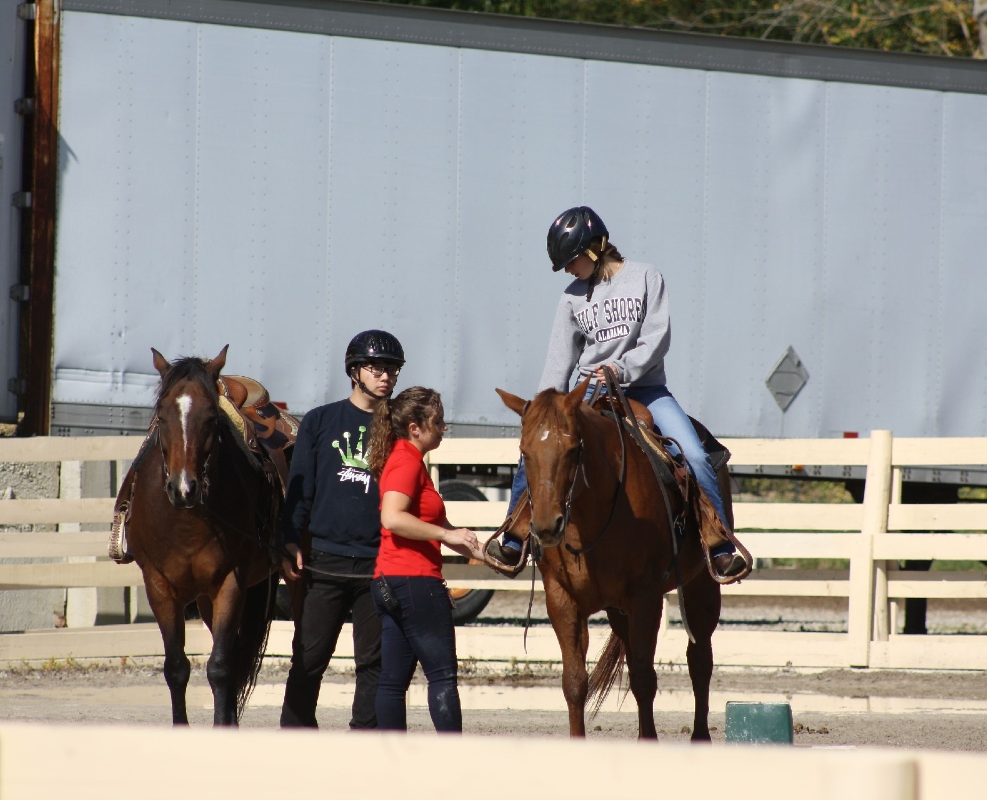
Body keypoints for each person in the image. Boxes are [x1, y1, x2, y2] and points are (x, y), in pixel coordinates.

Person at [485, 206, 748, 581]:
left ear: (594, 248)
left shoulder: (645, 277)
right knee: (542, 449)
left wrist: (620, 368)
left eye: (571, 260)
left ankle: (719, 544)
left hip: (648, 389)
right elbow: (559, 361)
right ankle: (514, 538)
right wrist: (545, 409)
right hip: (588, 393)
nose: (567, 270)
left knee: (693, 453)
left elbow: (656, 340)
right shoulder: (571, 297)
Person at [277, 329, 405, 729]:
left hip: (377, 563)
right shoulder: (321, 420)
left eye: (392, 369)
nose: (385, 376)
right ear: (354, 371)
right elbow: (301, 487)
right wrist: (289, 540)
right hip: (325, 561)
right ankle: (296, 734)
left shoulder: (401, 424)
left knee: (373, 662)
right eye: (376, 367)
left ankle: (363, 745)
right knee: (309, 657)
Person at [366, 386, 482, 732]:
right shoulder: (405, 462)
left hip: (393, 581)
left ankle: (392, 760)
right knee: (442, 676)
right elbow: (393, 518)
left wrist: (488, 554)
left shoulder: (408, 460)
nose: (444, 427)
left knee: (392, 681)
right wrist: (446, 536)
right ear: (415, 427)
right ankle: (450, 759)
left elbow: (440, 526)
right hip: (415, 582)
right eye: (439, 421)